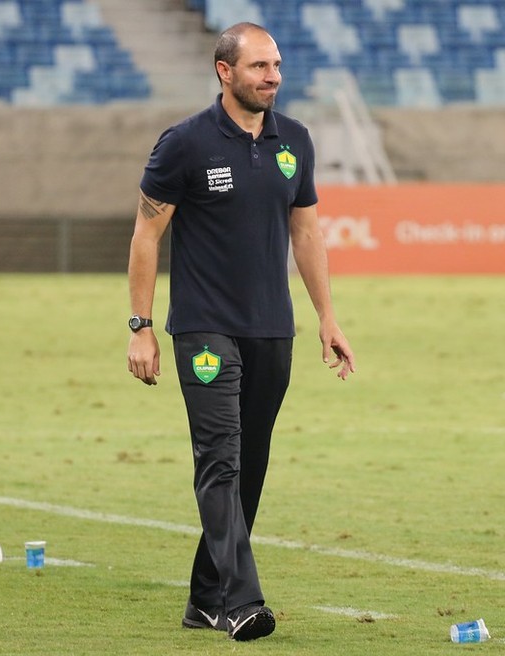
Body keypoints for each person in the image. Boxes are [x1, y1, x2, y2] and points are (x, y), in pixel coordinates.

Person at [125, 22, 357, 642]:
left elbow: (306, 233)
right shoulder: (185, 144)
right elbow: (147, 235)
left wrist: (327, 318)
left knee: (249, 465)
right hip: (203, 328)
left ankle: (203, 598)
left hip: (271, 329)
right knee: (220, 460)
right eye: (259, 66)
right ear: (225, 72)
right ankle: (242, 601)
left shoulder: (296, 141)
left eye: (277, 65)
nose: (273, 76)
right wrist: (140, 327)